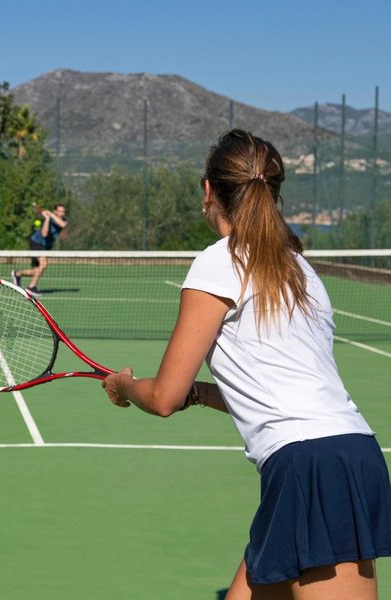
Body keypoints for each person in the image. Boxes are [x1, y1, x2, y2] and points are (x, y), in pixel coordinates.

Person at [101, 129, 391, 599]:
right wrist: (200, 393)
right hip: (337, 456)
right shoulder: (300, 269)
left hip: (314, 469)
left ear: (208, 191)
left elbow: (163, 398)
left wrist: (124, 386)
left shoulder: (219, 263)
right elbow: (274, 391)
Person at [11, 203, 67, 296]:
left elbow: (63, 224)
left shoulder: (64, 221)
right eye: (60, 211)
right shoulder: (47, 219)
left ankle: (17, 274)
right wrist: (47, 218)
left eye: (63, 211)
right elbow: (44, 234)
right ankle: (31, 288)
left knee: (36, 270)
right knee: (43, 264)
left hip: (45, 247)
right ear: (55, 211)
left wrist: (50, 214)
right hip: (36, 243)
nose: (62, 213)